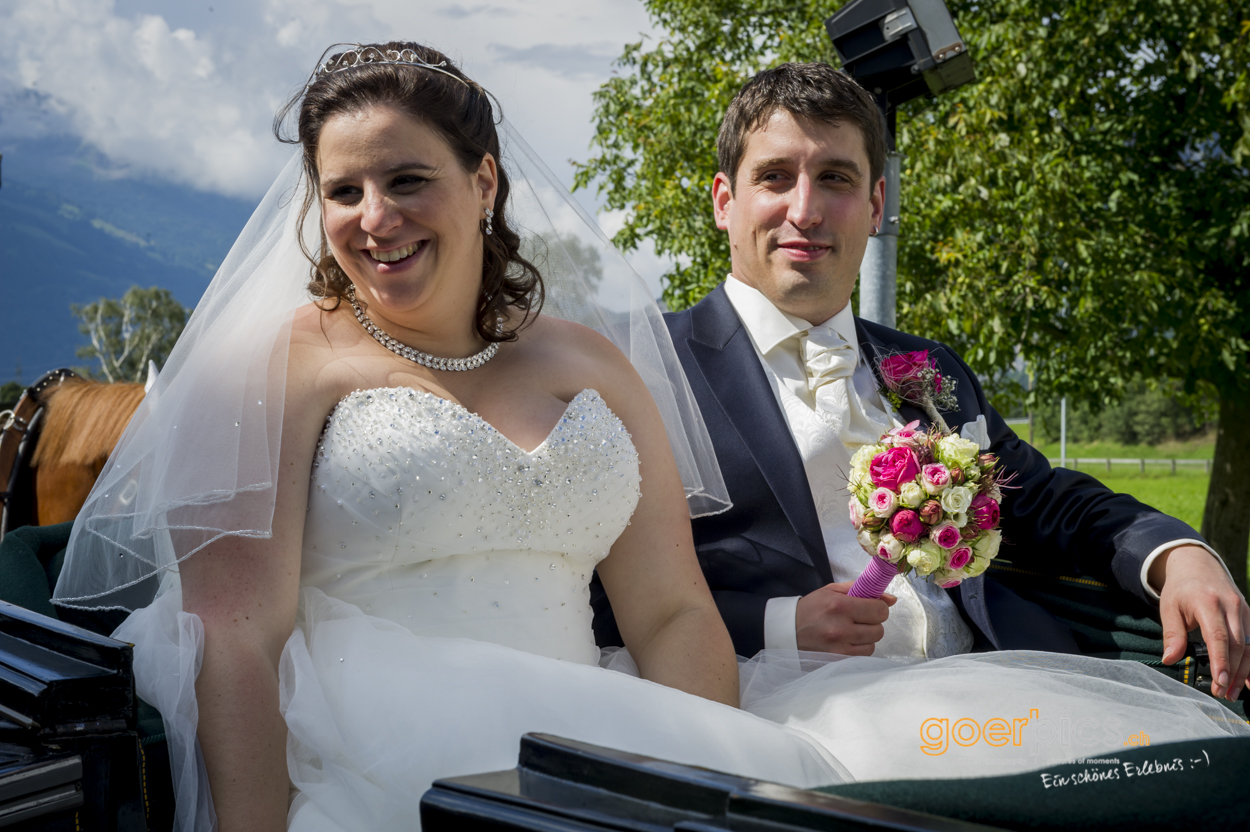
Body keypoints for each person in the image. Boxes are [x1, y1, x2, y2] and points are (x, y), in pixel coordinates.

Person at [50, 44, 1246, 832]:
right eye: (345, 191)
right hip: (368, 723)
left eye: (406, 181)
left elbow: (669, 609)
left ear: (482, 183)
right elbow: (237, 635)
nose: (373, 219)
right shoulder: (275, 366)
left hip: (622, 718)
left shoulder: (589, 360)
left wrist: (708, 768)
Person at [591, 62, 1250, 702]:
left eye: (835, 178)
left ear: (876, 204)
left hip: (992, 687)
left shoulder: (929, 369)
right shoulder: (642, 368)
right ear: (723, 202)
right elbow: (581, 590)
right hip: (777, 705)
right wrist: (777, 625)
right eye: (774, 177)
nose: (806, 209)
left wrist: (1178, 555)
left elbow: (1044, 499)